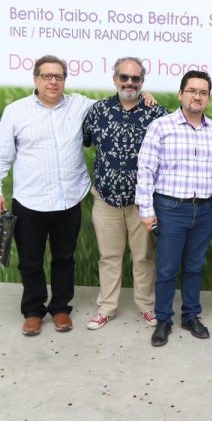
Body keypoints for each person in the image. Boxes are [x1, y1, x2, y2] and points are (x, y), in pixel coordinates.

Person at [0, 55, 92, 337]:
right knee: (30, 261)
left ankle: (60, 308)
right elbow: (1, 156)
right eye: (47, 76)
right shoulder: (16, 111)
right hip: (30, 201)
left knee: (64, 258)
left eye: (58, 76)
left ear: (64, 80)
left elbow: (114, 106)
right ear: (35, 79)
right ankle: (33, 311)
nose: (53, 81)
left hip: (68, 199)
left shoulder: (79, 105)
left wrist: (142, 94)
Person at [82, 57, 170, 331]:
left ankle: (146, 306)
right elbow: (86, 140)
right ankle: (106, 308)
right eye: (124, 77)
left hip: (142, 203)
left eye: (135, 79)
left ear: (142, 82)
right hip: (106, 200)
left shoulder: (157, 113)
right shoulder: (97, 111)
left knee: (144, 257)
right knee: (109, 257)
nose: (129, 83)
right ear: (115, 79)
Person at [136, 70, 212, 348]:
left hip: (204, 210)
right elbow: (146, 170)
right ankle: (163, 320)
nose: (197, 96)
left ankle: (190, 316)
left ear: (208, 97)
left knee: (195, 268)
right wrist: (147, 211)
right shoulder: (161, 127)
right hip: (170, 208)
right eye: (192, 90)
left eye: (203, 92)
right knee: (167, 269)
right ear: (181, 94)